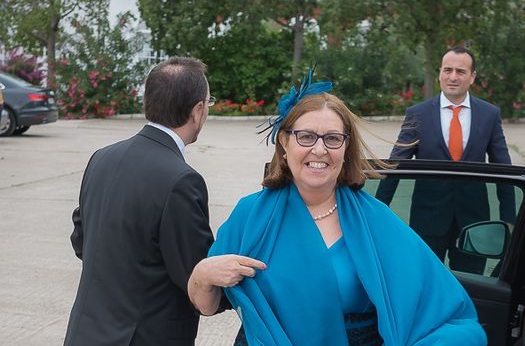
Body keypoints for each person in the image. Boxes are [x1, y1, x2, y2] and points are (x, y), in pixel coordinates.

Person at [188, 69, 487, 346]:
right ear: (283, 142)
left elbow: (443, 310)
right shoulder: (250, 215)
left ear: (345, 148)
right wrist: (202, 274)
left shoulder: (376, 220)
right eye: (305, 136)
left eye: (332, 138)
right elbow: (208, 304)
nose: (319, 149)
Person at [64, 57, 265, 346]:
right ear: (197, 110)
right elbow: (194, 275)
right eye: (208, 102)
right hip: (144, 336)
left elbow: (81, 239)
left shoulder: (102, 157)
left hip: (87, 331)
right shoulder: (182, 180)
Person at [375, 46, 515, 274]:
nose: (452, 77)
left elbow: (504, 168)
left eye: (460, 71)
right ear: (439, 73)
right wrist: (378, 209)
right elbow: (396, 164)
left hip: (474, 223)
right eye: (447, 70)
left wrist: (509, 219)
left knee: (473, 288)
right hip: (427, 220)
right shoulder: (417, 114)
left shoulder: (489, 115)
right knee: (424, 283)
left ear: (472, 77)